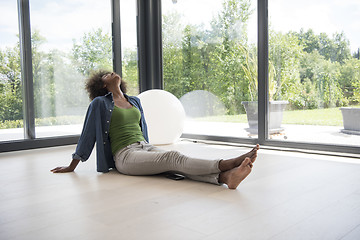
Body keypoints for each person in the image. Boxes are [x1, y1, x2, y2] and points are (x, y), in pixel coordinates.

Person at [51, 70, 260, 189]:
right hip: (125, 155)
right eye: (106, 74)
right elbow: (88, 134)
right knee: (173, 157)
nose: (112, 72)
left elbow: (143, 129)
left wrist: (149, 148)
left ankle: (225, 178)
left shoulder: (133, 101)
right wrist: (72, 165)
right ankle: (226, 163)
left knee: (174, 165)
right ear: (103, 85)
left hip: (144, 147)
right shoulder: (99, 103)